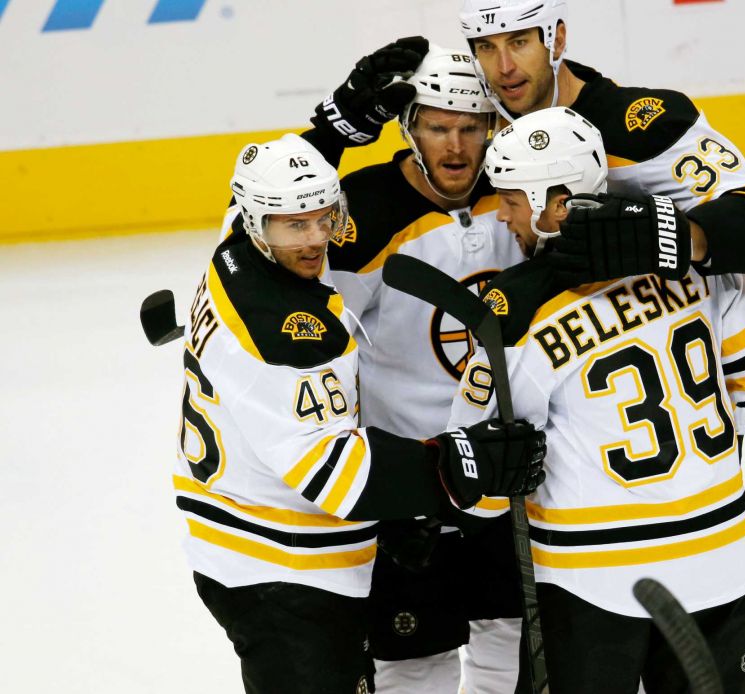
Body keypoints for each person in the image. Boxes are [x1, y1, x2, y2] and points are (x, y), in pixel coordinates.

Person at [448, 107, 745, 693]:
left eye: (510, 200)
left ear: (556, 205)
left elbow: (478, 487)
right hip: (717, 563)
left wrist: (482, 474)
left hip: (590, 581)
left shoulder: (517, 311)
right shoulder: (704, 271)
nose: (501, 216)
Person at [173, 133, 546, 694]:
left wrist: (333, 125)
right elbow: (333, 472)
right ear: (258, 224)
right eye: (295, 226)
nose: (316, 239)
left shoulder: (233, 247)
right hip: (284, 568)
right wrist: (464, 466)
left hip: (241, 537)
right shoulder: (290, 337)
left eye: (325, 219)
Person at [317, 45, 532, 693]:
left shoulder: (522, 192)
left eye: (472, 126)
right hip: (410, 479)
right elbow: (328, 351)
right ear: (410, 127)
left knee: (513, 636)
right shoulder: (363, 209)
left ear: (494, 126)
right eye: (439, 126)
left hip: (506, 467)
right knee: (413, 664)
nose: (457, 145)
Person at [457, 0, 745, 285]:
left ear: (556, 40)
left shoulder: (642, 128)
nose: (504, 68)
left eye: (518, 43)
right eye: (487, 47)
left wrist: (670, 236)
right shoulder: (483, 122)